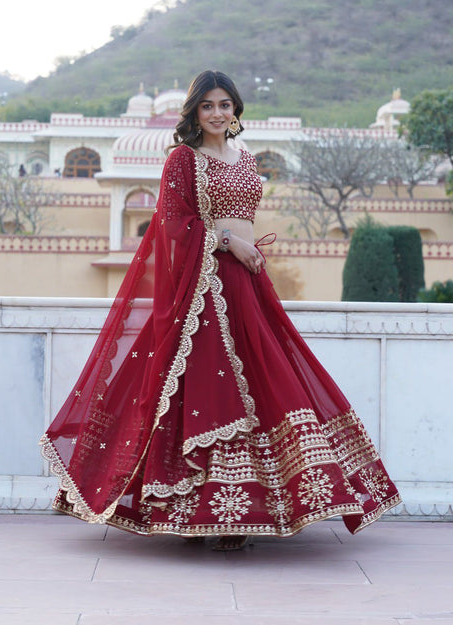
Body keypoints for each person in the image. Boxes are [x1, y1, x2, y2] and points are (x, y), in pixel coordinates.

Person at [40, 70, 401, 551]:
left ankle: (237, 514)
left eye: (225, 104)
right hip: (204, 287)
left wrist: (246, 251)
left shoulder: (246, 158)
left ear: (236, 110)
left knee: (266, 379)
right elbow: (173, 225)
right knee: (210, 391)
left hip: (247, 285)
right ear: (194, 112)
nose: (217, 113)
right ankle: (194, 513)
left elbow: (245, 217)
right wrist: (228, 241)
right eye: (207, 105)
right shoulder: (183, 160)